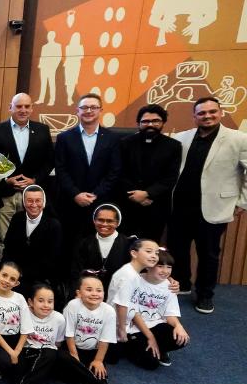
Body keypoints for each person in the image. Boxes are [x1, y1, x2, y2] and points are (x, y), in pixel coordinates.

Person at [168, 96, 247, 314]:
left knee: (208, 254)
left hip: (214, 207)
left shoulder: (239, 139)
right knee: (178, 250)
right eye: (201, 113)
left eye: (212, 112)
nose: (207, 116)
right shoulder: (181, 137)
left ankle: (205, 295)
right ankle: (182, 284)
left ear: (220, 113)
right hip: (180, 206)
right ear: (194, 116)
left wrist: (243, 202)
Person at [12, 282, 115, 384]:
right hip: (28, 353)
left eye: (50, 301)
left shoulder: (59, 319)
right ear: (30, 302)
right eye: (41, 301)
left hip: (49, 355)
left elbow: (58, 343)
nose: (46, 305)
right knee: (15, 382)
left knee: (56, 354)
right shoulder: (24, 313)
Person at [0, 93, 54, 260]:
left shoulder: (42, 130)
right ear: (10, 108)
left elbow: (50, 161)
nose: (23, 110)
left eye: (27, 106)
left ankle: (25, 269)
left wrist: (34, 180)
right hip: (5, 194)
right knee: (2, 238)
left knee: (29, 237)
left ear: (32, 108)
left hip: (32, 195)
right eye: (19, 106)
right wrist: (5, 180)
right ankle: (1, 269)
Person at [54, 93, 122, 249]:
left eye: (93, 107)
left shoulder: (112, 139)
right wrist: (76, 194)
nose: (89, 111)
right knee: (68, 245)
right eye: (84, 107)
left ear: (100, 110)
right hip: (71, 201)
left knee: (96, 246)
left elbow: (115, 171)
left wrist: (95, 194)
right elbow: (61, 169)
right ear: (77, 111)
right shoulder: (64, 138)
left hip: (100, 202)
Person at [114, 249, 190, 370]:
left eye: (169, 267)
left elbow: (170, 313)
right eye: (160, 266)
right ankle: (132, 346)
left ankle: (160, 348)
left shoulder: (170, 286)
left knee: (181, 337)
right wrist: (151, 337)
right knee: (151, 364)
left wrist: (178, 325)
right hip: (135, 328)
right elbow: (134, 314)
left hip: (155, 325)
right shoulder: (135, 282)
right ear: (148, 266)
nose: (165, 271)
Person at [117, 104, 181, 242]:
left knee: (150, 246)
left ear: (163, 122)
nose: (150, 124)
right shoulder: (125, 143)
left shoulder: (173, 146)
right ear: (138, 123)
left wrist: (147, 194)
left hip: (156, 205)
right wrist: (135, 195)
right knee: (124, 245)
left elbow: (170, 177)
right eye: (145, 121)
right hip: (128, 204)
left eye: (155, 121)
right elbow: (119, 173)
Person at [62, 273, 117, 384]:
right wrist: (74, 355)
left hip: (94, 351)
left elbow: (105, 340)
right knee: (70, 375)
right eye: (89, 289)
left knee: (98, 371)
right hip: (72, 347)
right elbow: (69, 334)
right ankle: (90, 379)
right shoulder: (73, 305)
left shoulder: (109, 311)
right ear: (79, 293)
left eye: (99, 290)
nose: (94, 293)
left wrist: (98, 360)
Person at [2, 185, 63, 301]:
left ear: (44, 203)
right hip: (15, 275)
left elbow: (52, 259)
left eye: (38, 200)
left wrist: (24, 274)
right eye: (29, 200)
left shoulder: (54, 225)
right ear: (24, 202)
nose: (34, 204)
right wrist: (8, 271)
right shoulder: (17, 219)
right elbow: (8, 248)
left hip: (41, 278)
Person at [0, 261, 30, 383]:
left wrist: (17, 351)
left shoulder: (20, 298)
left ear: (16, 283)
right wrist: (11, 353)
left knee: (20, 374)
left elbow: (26, 328)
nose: (7, 280)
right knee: (7, 361)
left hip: (16, 339)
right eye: (4, 275)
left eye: (12, 279)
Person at [71, 204, 130, 297]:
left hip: (119, 294)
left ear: (117, 223)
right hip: (89, 294)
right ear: (94, 221)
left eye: (110, 221)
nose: (104, 224)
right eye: (100, 220)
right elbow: (76, 272)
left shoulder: (128, 244)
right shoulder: (84, 243)